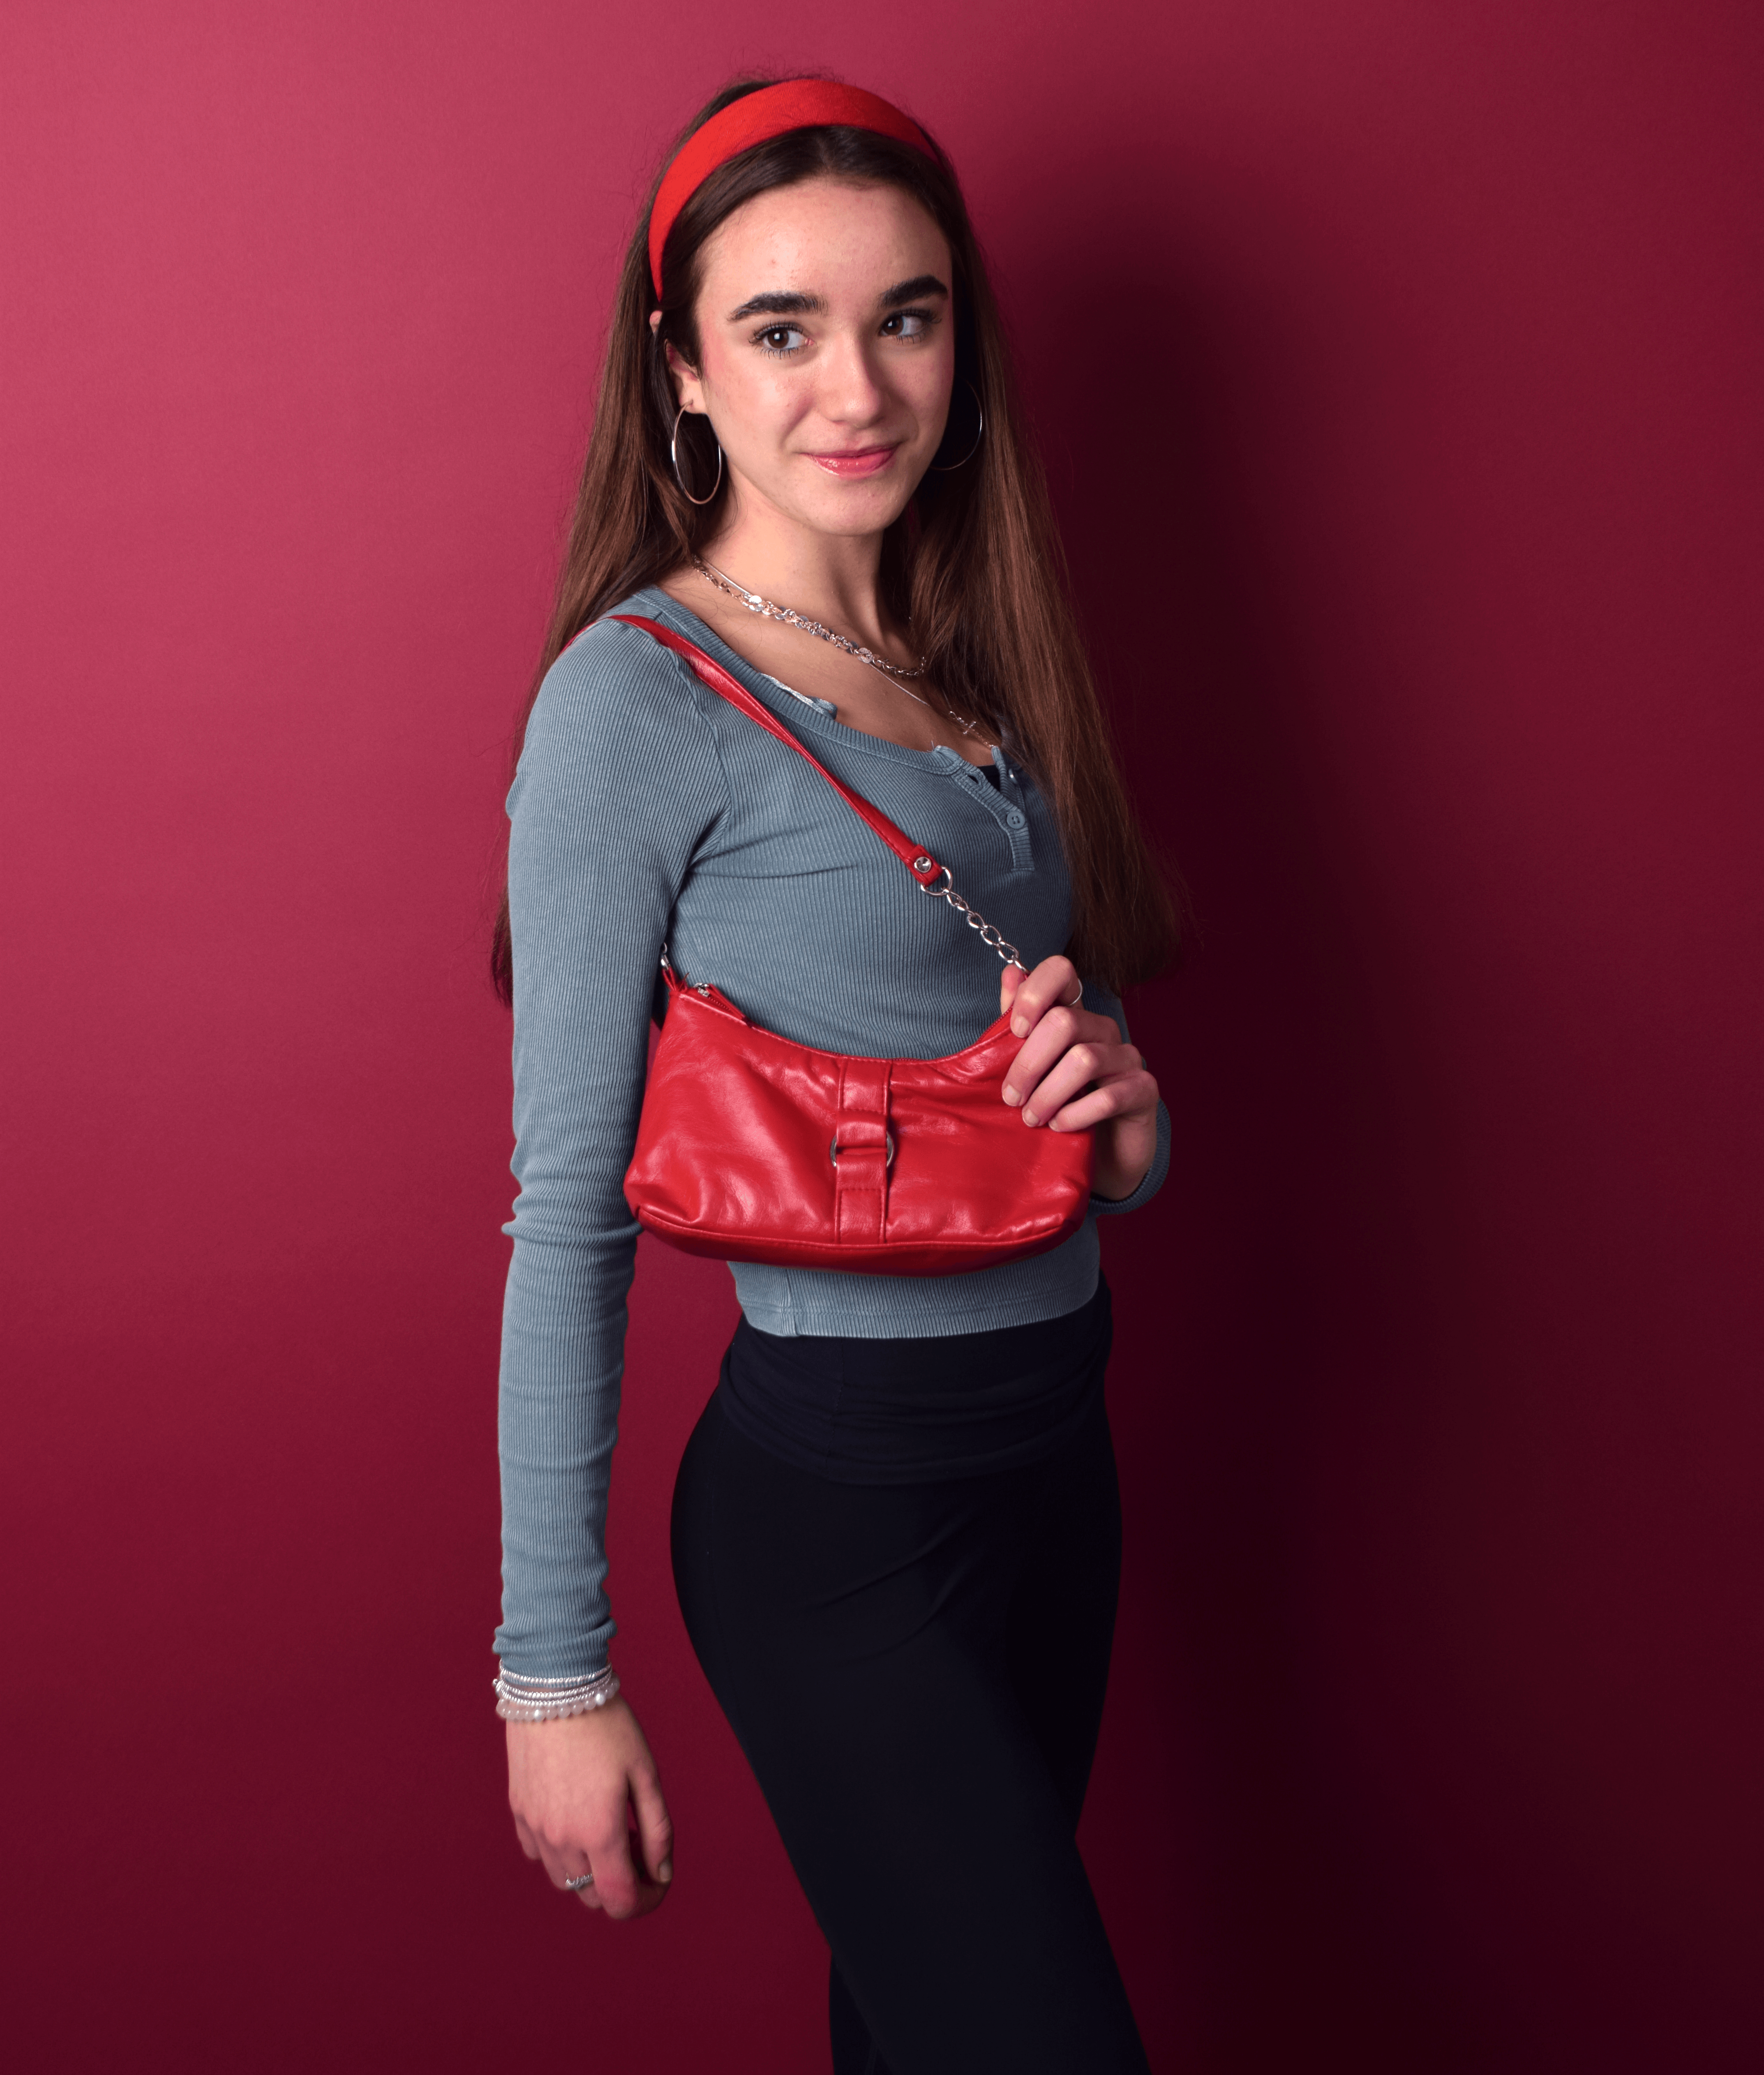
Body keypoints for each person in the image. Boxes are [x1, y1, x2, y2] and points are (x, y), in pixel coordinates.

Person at [490, 76, 1178, 2075]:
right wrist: (552, 1676)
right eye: (779, 327)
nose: (855, 384)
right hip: (842, 1518)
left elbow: (1060, 1100)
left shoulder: (974, 664)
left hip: (1061, 1458)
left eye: (908, 313)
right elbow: (565, 1214)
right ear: (681, 374)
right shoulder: (630, 706)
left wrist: (1130, 1130)